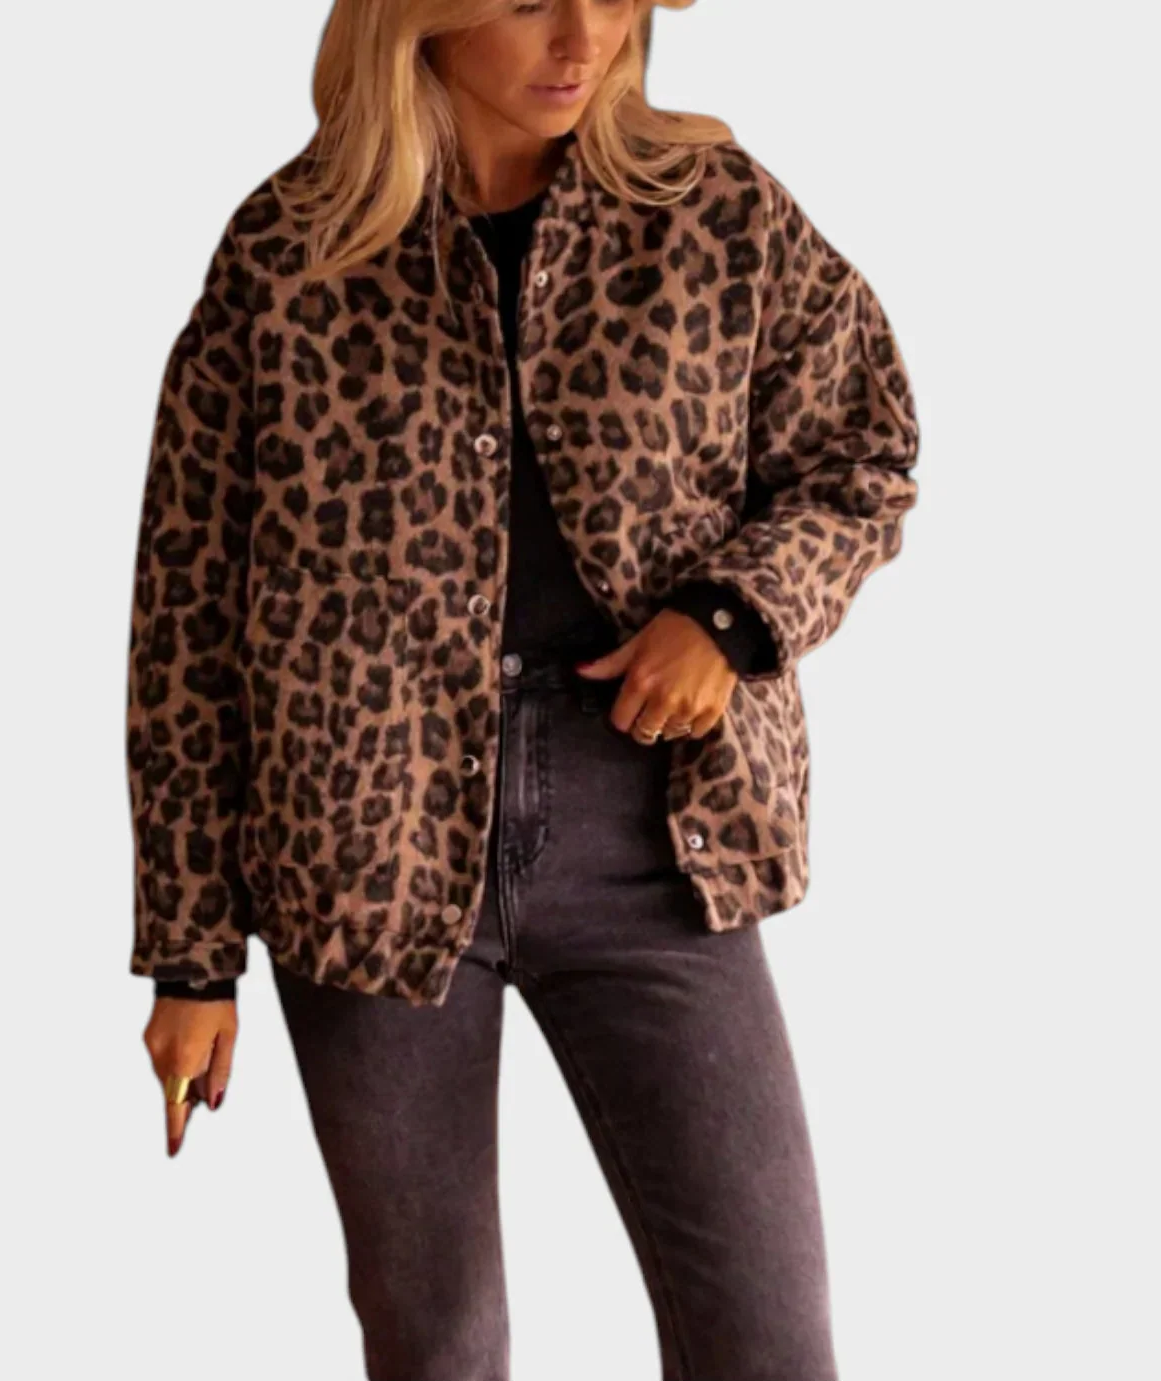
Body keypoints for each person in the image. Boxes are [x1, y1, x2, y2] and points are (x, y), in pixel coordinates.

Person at [126, 2, 920, 1375]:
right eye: (526, 1)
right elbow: (185, 611)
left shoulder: (715, 213)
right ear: (420, 18)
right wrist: (190, 956)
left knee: (766, 1339)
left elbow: (865, 449)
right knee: (436, 1345)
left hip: (652, 836)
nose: (582, 37)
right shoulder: (287, 252)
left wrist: (729, 619)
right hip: (364, 855)